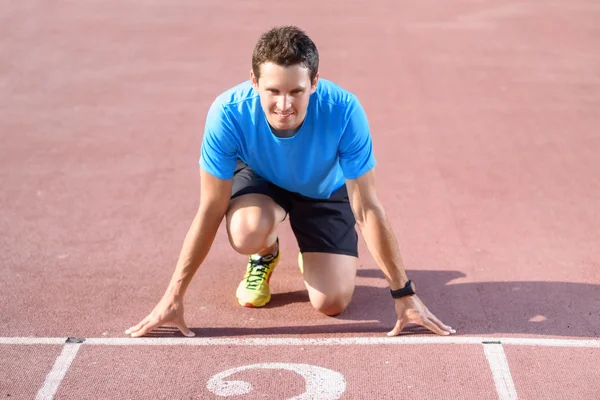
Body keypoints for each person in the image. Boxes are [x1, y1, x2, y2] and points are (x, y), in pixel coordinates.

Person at [126, 26, 455, 338]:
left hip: (324, 189)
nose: (284, 106)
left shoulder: (344, 110)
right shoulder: (227, 113)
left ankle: (311, 252)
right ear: (254, 82)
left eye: (296, 91)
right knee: (245, 231)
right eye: (273, 91)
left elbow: (367, 209)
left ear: (314, 82)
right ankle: (265, 252)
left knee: (332, 303)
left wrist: (403, 292)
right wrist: (174, 295)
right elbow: (211, 208)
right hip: (262, 178)